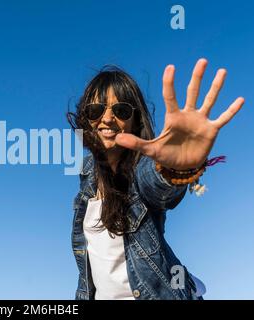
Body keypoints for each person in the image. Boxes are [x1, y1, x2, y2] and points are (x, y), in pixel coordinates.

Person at [67, 58, 244, 300]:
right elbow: (89, 274)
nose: (107, 118)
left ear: (135, 120)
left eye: (120, 111)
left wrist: (175, 168)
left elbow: (158, 185)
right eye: (96, 110)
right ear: (87, 118)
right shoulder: (87, 176)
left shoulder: (141, 168)